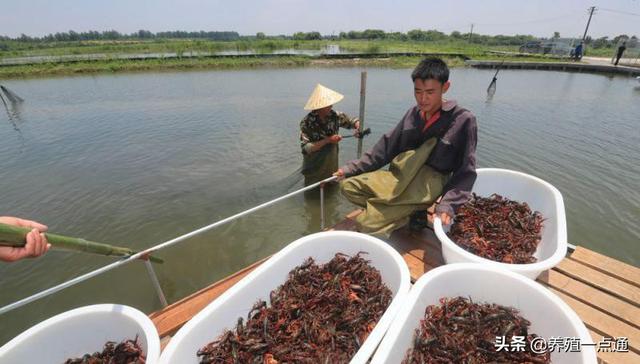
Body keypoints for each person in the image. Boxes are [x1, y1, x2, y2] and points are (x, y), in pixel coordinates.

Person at [334, 58, 477, 237]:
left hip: (425, 185)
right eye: (418, 91)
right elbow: (385, 147)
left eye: (430, 92)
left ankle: (402, 211)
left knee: (365, 224)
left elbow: (466, 171)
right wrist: (349, 169)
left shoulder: (463, 120)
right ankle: (402, 211)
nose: (423, 99)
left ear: (445, 87)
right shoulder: (413, 113)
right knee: (348, 187)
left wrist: (448, 204)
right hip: (400, 176)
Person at [299, 84, 360, 186]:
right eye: (328, 104)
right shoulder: (307, 122)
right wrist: (328, 140)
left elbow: (352, 121)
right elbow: (306, 149)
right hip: (314, 166)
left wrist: (358, 126)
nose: (331, 105)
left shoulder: (334, 116)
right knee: (313, 194)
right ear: (320, 106)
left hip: (331, 164)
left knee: (332, 190)